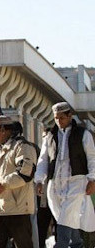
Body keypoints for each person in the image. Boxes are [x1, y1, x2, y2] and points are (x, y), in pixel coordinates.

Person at [35, 102, 95, 247]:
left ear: (69, 116)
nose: (59, 121)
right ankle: (77, 244)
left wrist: (92, 179)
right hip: (55, 184)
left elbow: (92, 157)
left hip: (77, 182)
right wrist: (39, 180)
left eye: (61, 117)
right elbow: (43, 160)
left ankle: (60, 245)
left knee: (66, 217)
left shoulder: (83, 134)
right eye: (56, 118)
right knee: (66, 217)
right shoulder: (49, 136)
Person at [0, 116, 37, 248]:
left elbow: (25, 173)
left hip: (18, 209)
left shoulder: (23, 147)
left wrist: (4, 184)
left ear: (3, 130)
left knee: (23, 245)